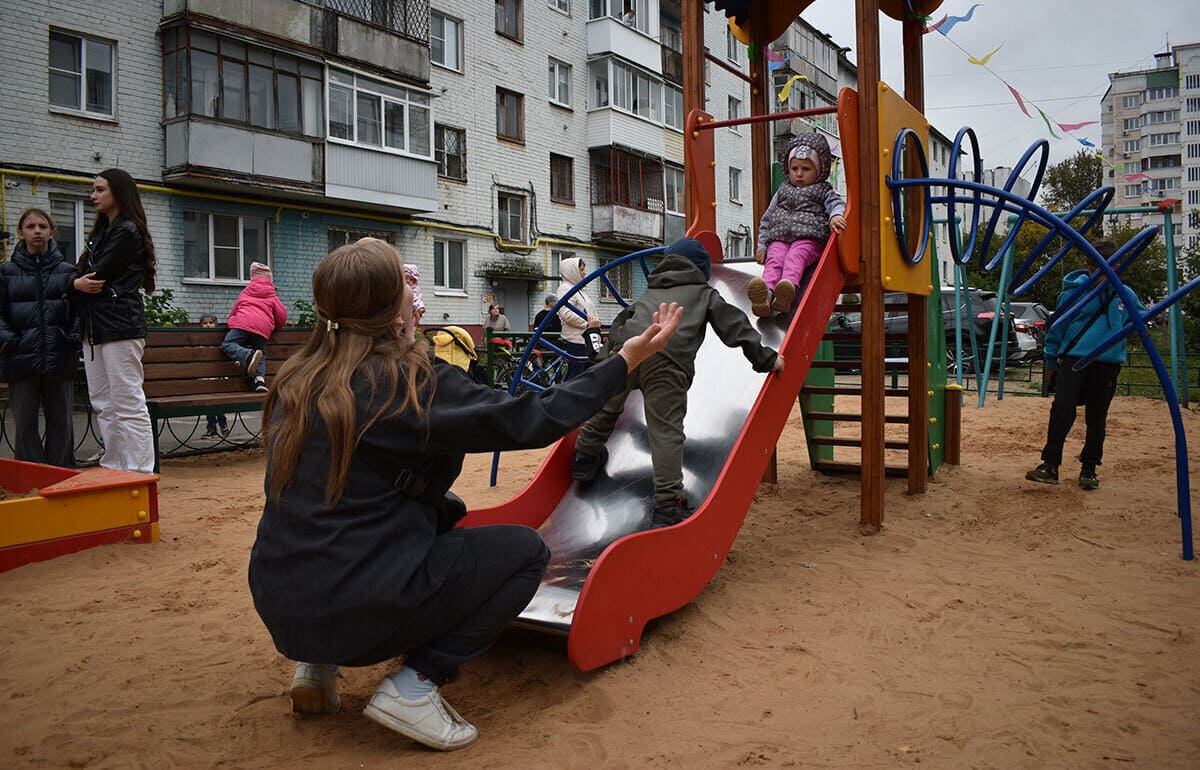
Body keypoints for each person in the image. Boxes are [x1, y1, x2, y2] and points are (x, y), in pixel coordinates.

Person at [247, 237, 681, 751]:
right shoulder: (409, 381)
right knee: (525, 553)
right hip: (359, 605)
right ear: (392, 308)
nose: (415, 291)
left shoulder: (299, 377)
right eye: (405, 285)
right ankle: (416, 684)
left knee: (375, 514)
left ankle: (315, 666)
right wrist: (623, 361)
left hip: (282, 601)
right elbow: (529, 419)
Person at [571, 237, 785, 528]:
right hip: (666, 362)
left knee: (608, 407)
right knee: (665, 431)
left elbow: (624, 318)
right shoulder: (703, 292)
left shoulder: (652, 290)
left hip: (628, 350)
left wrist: (609, 358)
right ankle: (669, 504)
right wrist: (765, 359)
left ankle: (584, 457)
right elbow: (734, 325)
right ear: (699, 269)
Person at [1026, 239, 1142, 490]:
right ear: (1088, 266)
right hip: (1074, 360)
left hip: (1106, 363)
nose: (1099, 275)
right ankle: (1050, 465)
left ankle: (1089, 469)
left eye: (1107, 268)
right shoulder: (1073, 293)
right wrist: (1050, 362)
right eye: (1095, 269)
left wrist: (1133, 325)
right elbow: (1057, 329)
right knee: (1062, 410)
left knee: (1097, 417)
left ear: (1118, 266)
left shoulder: (1125, 294)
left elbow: (1139, 325)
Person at [73, 168, 157, 474]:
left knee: (126, 402)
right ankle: (114, 467)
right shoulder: (101, 234)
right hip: (94, 327)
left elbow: (95, 274)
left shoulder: (126, 231)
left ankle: (138, 471)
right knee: (103, 403)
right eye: (93, 189)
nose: (93, 195)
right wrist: (75, 283)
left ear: (118, 192)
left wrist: (76, 283)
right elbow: (80, 275)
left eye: (99, 189)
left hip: (120, 325)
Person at [0, 208, 79, 467]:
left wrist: (71, 339)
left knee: (62, 423)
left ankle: (60, 476)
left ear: (51, 232)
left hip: (59, 356)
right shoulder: (6, 272)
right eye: (31, 226)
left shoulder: (68, 272)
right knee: (24, 425)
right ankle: (30, 479)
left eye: (43, 226)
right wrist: (10, 340)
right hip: (20, 359)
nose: (37, 231)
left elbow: (80, 313)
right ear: (21, 232)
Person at [747, 132, 847, 318]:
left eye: (806, 169)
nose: (799, 173)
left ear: (819, 170)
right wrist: (762, 245)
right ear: (788, 169)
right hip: (780, 237)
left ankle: (787, 290)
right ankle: (766, 295)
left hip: (809, 239)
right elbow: (767, 219)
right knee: (774, 259)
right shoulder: (782, 190)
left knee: (795, 257)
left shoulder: (823, 189)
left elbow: (837, 204)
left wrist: (835, 216)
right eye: (794, 168)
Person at [220, 262, 287, 393]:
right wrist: (274, 325)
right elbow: (282, 316)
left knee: (227, 344)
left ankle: (248, 355)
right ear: (269, 279)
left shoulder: (246, 292)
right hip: (262, 329)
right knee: (260, 352)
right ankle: (260, 381)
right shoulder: (272, 295)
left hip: (243, 323)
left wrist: (233, 322)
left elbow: (233, 311)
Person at [555, 256, 602, 380]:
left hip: (585, 338)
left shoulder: (578, 290)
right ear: (572, 271)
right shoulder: (565, 289)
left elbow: (589, 311)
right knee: (576, 376)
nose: (584, 273)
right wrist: (587, 324)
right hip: (576, 340)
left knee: (586, 374)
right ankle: (566, 398)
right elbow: (566, 314)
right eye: (581, 270)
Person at [199, 315, 229, 439]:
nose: (208, 325)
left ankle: (221, 424)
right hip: (206, 377)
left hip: (217, 376)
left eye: (211, 322)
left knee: (216, 403)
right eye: (205, 323)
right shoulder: (200, 340)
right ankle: (213, 428)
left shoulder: (219, 340)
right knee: (209, 404)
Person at [403, 263, 426, 334]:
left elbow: (416, 299)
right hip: (402, 314)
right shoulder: (399, 288)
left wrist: (420, 307)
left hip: (411, 314)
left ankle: (410, 341)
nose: (408, 281)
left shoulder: (414, 290)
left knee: (409, 332)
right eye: (406, 278)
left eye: (411, 279)